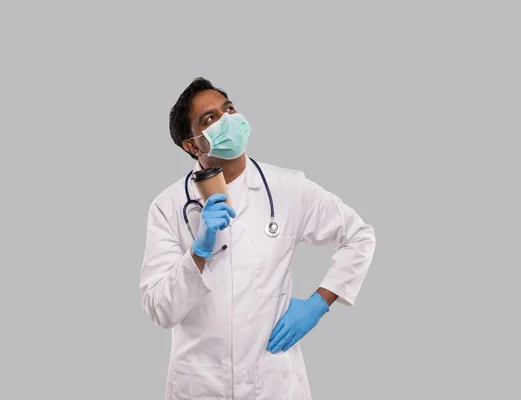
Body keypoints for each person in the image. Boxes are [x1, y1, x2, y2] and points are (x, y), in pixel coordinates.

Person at [140, 77, 376, 400]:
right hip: (199, 386)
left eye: (229, 109)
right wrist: (198, 252)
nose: (227, 121)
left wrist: (318, 303)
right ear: (192, 145)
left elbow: (359, 236)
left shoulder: (288, 189)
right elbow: (159, 309)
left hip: (273, 383)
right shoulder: (167, 207)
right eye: (210, 119)